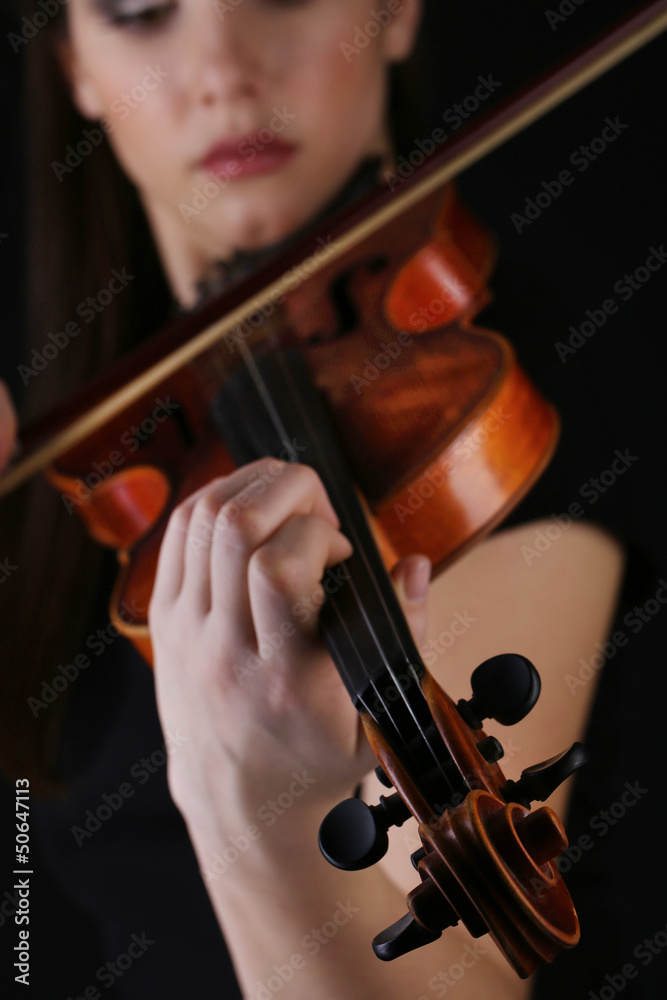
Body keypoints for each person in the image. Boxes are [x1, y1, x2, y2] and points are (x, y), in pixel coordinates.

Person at [0, 2, 635, 998]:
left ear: (395, 12)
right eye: (141, 11)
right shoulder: (93, 458)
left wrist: (267, 825)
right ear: (77, 68)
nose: (222, 70)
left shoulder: (494, 405)